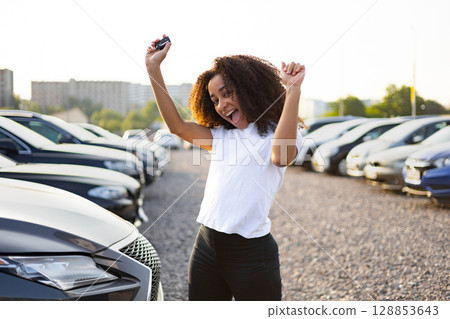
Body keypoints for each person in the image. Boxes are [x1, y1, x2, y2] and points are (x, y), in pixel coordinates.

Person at [145, 35, 305, 301]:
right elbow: (177, 127)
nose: (221, 105)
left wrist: (294, 91)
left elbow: (281, 156)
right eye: (215, 99)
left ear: (249, 87)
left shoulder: (281, 133)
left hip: (252, 255)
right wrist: (153, 69)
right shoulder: (222, 135)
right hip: (206, 247)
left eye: (227, 93)